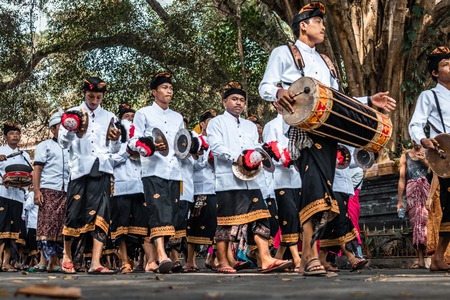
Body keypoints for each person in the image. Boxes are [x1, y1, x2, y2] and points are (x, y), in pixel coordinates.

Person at [258, 1, 396, 275]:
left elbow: (339, 100)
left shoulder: (326, 61)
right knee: (314, 190)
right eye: (318, 21)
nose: (323, 26)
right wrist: (277, 93)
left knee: (324, 193)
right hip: (303, 133)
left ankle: (311, 255)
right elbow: (265, 86)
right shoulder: (284, 53)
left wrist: (369, 100)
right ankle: (309, 256)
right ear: (303, 25)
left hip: (329, 132)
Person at [207, 81, 292, 274]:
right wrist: (237, 157)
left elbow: (255, 147)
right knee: (226, 222)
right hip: (228, 180)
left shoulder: (249, 126)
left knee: (262, 217)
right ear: (224, 102)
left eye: (242, 100)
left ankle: (265, 259)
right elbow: (217, 147)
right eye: (234, 99)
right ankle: (222, 261)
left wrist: (263, 154)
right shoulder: (217, 123)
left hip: (252, 180)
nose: (239, 103)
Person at [58, 76, 121, 275]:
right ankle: (67, 256)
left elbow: (116, 147)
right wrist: (71, 130)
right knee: (74, 213)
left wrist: (116, 139)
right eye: (91, 96)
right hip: (79, 170)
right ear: (84, 94)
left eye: (98, 97)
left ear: (103, 97)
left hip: (102, 169)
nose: (94, 101)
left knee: (102, 215)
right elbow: (63, 143)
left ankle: (95, 261)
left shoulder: (110, 116)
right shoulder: (72, 113)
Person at [129, 71, 184, 274]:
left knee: (171, 214)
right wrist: (151, 146)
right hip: (153, 169)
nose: (168, 91)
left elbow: (182, 143)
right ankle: (161, 255)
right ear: (154, 91)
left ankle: (152, 261)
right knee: (158, 210)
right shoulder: (143, 113)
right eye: (164, 87)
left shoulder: (177, 117)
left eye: (170, 87)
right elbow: (133, 141)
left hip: (174, 171)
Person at [409, 45, 450, 272]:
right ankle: (438, 258)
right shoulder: (429, 95)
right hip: (446, 158)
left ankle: (438, 259)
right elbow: (415, 124)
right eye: (445, 64)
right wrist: (423, 140)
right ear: (435, 73)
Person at [110, 103, 150, 274]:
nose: (130, 119)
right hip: (122, 186)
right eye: (127, 116)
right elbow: (110, 159)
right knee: (122, 227)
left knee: (142, 226)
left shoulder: (142, 132)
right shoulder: (115, 133)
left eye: (133, 116)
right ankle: (125, 260)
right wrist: (126, 151)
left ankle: (150, 260)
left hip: (140, 186)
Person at [262, 102, 302, 272]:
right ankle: (297, 258)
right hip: (280, 179)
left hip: (299, 178)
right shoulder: (271, 126)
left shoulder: (299, 123)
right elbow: (270, 152)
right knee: (289, 216)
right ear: (275, 103)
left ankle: (279, 257)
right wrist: (285, 159)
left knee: (298, 217)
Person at [33, 110, 70, 273]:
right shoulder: (44, 146)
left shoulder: (71, 147)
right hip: (48, 189)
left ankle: (54, 261)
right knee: (46, 226)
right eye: (59, 127)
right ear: (52, 129)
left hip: (66, 190)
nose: (62, 130)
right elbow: (38, 168)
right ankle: (43, 260)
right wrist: (36, 191)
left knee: (60, 227)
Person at [185, 110, 218, 272]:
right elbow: (193, 165)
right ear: (202, 124)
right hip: (200, 188)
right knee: (196, 223)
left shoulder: (218, 140)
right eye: (210, 122)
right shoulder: (194, 139)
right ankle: (190, 260)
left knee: (218, 226)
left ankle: (212, 258)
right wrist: (203, 155)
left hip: (217, 188)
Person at [0, 122, 31, 272]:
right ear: (6, 137)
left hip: (18, 196)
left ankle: (6, 263)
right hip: (2, 194)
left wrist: (23, 186)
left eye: (17, 133)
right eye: (12, 133)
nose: (15, 136)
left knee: (12, 232)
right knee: (1, 229)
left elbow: (28, 176)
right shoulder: (0, 151)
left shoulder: (25, 155)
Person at [397, 141, 430, 268]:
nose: (416, 143)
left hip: (427, 194)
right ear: (411, 140)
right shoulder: (405, 156)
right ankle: (420, 260)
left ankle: (435, 257)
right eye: (414, 140)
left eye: (418, 140)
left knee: (428, 223)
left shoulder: (428, 152)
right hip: (412, 194)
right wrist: (400, 200)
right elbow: (401, 178)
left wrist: (426, 161)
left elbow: (436, 172)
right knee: (416, 225)